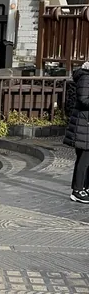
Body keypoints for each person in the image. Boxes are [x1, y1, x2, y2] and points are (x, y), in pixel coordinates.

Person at [63, 61, 89, 203]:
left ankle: (84, 187)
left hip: (85, 124)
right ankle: (77, 190)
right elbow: (84, 99)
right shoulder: (86, 77)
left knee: (86, 160)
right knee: (84, 160)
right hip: (84, 125)